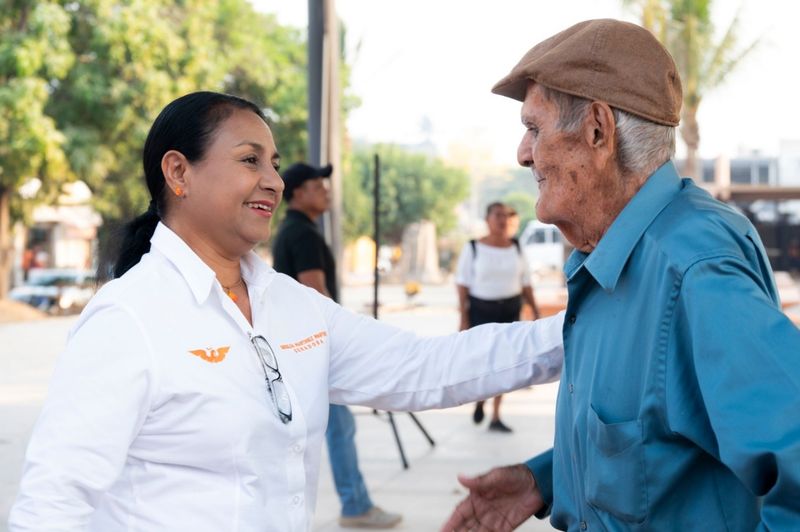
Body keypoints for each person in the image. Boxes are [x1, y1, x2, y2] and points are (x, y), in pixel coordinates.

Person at [8, 91, 565, 532]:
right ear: (178, 173)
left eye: (273, 163)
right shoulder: (129, 317)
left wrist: (580, 329)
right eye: (250, 160)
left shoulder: (292, 306)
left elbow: (425, 368)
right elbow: (55, 501)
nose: (273, 181)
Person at [443, 19, 800, 531]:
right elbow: (653, 444)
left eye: (534, 128)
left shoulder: (691, 269)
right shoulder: (613, 259)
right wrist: (546, 479)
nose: (523, 153)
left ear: (596, 130)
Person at [271, 162, 401, 529]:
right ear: (297, 193)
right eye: (316, 185)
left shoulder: (292, 231)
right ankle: (355, 504)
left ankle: (352, 502)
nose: (325, 191)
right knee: (340, 430)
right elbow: (316, 293)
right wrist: (339, 340)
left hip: (297, 348)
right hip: (312, 351)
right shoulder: (303, 235)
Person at [455, 202, 540, 433]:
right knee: (483, 362)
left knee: (505, 364)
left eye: (507, 215)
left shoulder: (517, 247)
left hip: (510, 310)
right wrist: (463, 316)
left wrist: (535, 310)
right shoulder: (473, 247)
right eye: (498, 215)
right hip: (481, 310)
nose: (502, 220)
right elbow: (462, 283)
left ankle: (495, 416)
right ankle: (481, 398)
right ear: (487, 219)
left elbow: (526, 283)